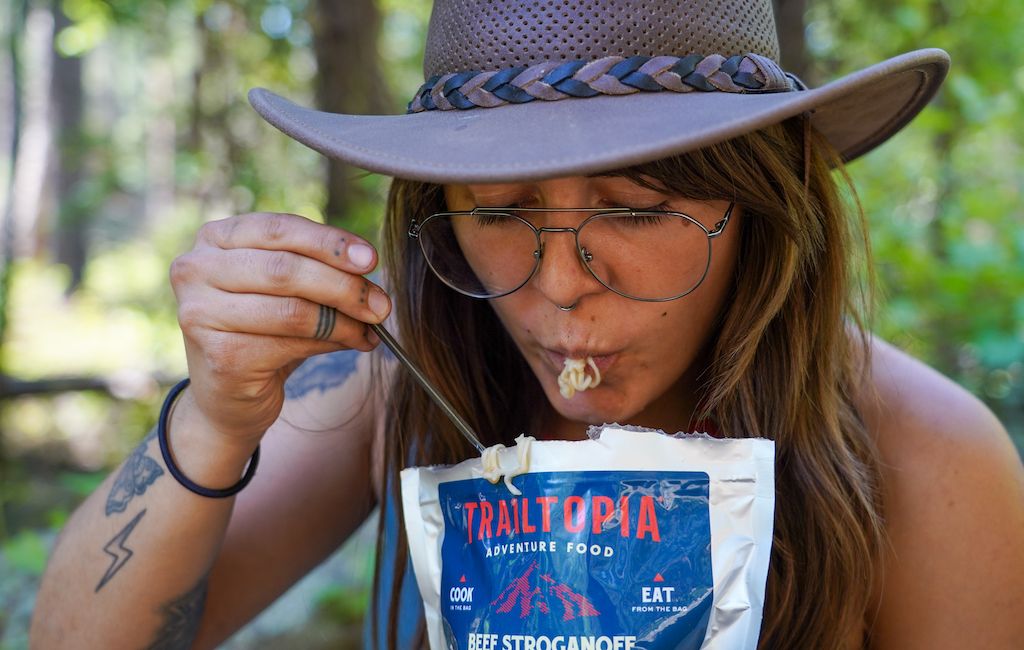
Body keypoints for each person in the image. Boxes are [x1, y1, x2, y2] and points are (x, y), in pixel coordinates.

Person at [31, 1, 1024, 648]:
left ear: (761, 206)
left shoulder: (921, 455)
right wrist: (214, 416)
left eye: (636, 208)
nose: (557, 284)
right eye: (499, 212)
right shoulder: (390, 390)